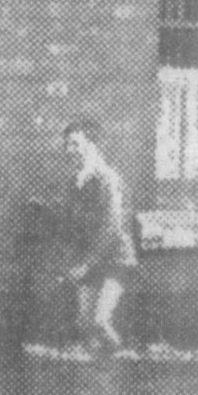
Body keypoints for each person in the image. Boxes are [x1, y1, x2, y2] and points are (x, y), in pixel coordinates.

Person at [52, 119, 137, 352]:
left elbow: (112, 227)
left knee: (100, 322)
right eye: (66, 145)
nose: (70, 151)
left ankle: (122, 365)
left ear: (92, 146)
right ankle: (94, 377)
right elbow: (70, 228)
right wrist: (70, 262)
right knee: (84, 325)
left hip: (114, 260)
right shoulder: (73, 182)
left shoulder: (108, 179)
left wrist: (87, 264)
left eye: (75, 144)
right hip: (88, 260)